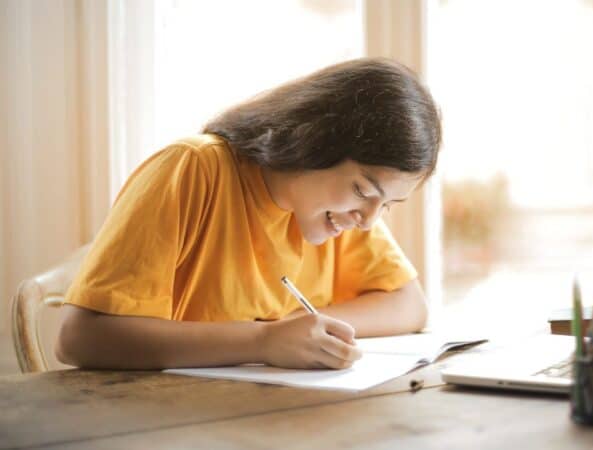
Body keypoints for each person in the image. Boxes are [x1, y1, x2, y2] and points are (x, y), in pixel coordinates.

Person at [56, 57, 442, 371]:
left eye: (387, 205)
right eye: (363, 191)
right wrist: (263, 341)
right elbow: (80, 338)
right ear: (314, 141)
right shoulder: (192, 169)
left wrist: (304, 329)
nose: (369, 220)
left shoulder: (341, 212)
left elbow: (409, 304)